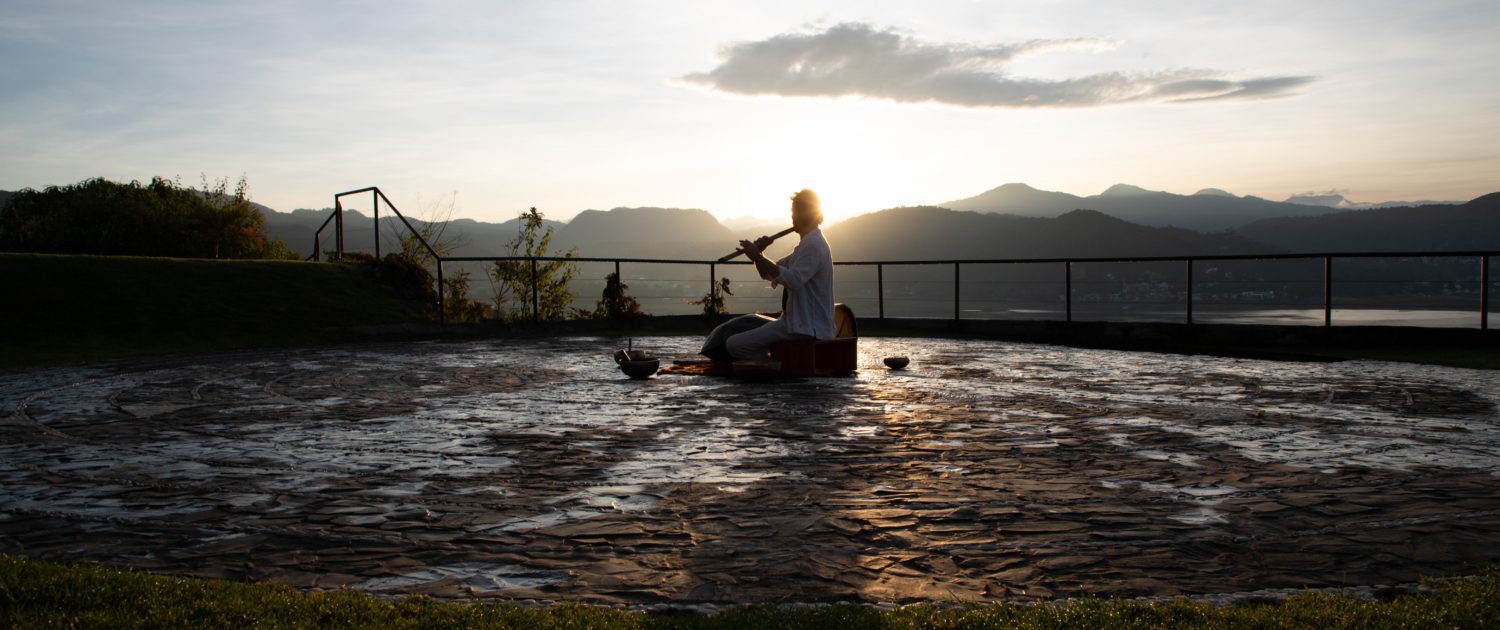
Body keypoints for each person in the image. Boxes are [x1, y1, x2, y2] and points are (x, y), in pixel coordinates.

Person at [701, 189, 835, 361]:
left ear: (806, 213)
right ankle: (776, 363)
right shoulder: (807, 245)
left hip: (807, 328)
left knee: (735, 345)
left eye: (795, 212)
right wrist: (760, 255)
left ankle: (776, 367)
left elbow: (793, 280)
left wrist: (757, 255)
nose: (792, 217)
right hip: (797, 324)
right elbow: (769, 273)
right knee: (736, 343)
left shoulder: (813, 245)